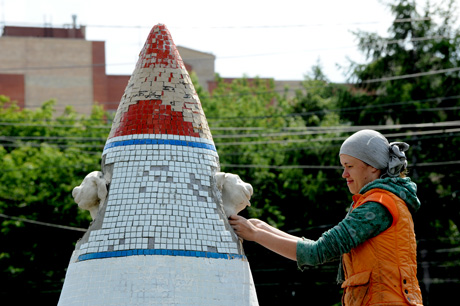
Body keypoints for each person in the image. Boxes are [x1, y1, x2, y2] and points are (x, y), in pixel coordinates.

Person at [229, 129, 424, 306]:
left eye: (349, 166)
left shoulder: (378, 205)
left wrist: (256, 234)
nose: (344, 174)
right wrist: (263, 228)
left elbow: (317, 252)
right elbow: (319, 247)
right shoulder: (382, 200)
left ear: (372, 167)